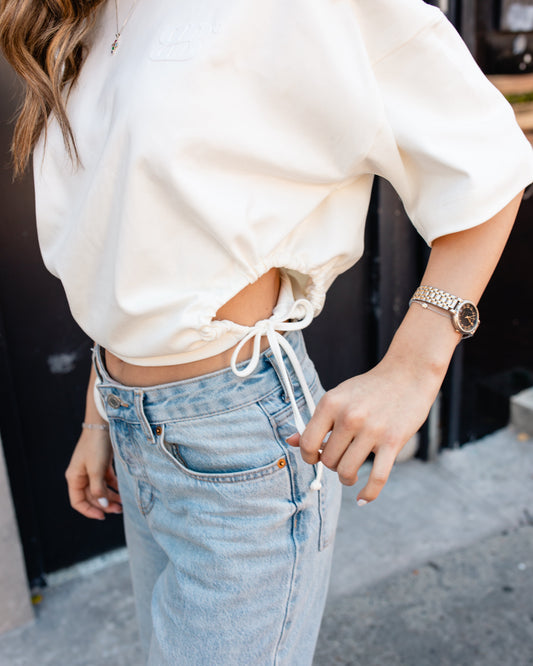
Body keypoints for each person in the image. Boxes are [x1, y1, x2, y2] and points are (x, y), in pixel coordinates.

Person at [1, 0, 532, 663]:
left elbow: (487, 154)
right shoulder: (90, 17)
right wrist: (100, 411)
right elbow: (129, 244)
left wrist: (414, 367)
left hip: (237, 439)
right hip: (133, 428)